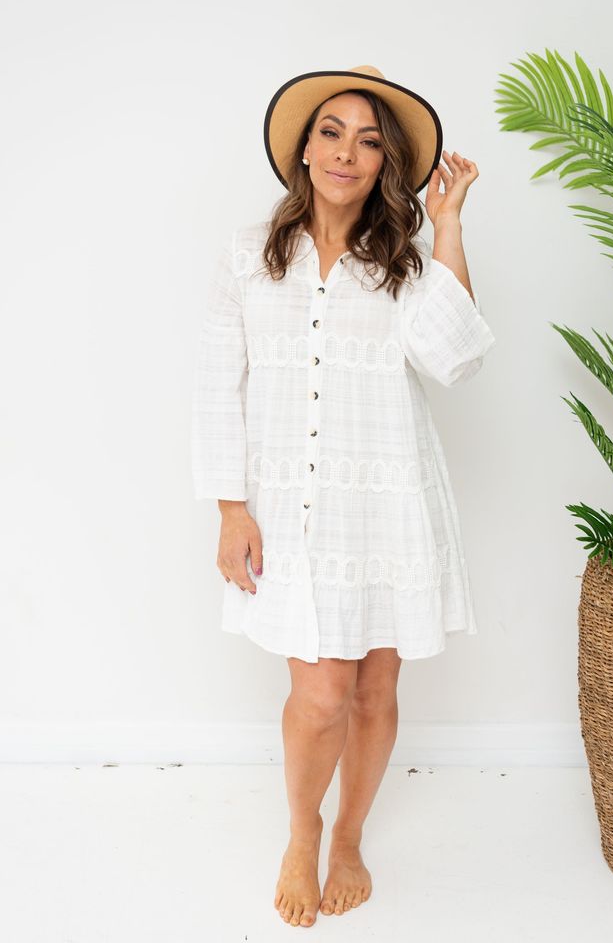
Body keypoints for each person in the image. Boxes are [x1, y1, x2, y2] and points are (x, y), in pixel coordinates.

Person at [191, 64, 496, 927]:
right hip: (289, 511)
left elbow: (455, 357)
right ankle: (303, 832)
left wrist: (446, 225)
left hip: (388, 502)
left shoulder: (402, 265)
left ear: (384, 163)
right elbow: (216, 385)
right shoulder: (247, 256)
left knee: (370, 694)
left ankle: (351, 837)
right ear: (303, 147)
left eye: (368, 142)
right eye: (330, 132)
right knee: (320, 695)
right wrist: (230, 508)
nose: (345, 153)